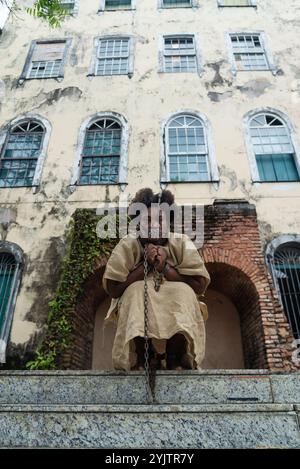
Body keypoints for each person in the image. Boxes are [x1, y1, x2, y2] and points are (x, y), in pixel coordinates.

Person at [102, 188, 211, 371]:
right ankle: (144, 355)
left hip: (175, 296)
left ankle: (175, 356)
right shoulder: (128, 244)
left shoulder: (181, 241)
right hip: (138, 296)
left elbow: (199, 286)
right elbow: (113, 289)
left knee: (183, 292)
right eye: (148, 220)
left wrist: (165, 267)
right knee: (135, 290)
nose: (154, 225)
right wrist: (145, 266)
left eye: (160, 220)